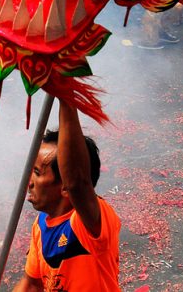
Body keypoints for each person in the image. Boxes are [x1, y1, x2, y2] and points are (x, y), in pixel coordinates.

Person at [14, 99, 121, 291]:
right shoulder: (40, 225)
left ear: (65, 188)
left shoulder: (90, 223)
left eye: (38, 173)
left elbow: (77, 183)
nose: (28, 182)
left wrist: (66, 98)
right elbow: (32, 284)